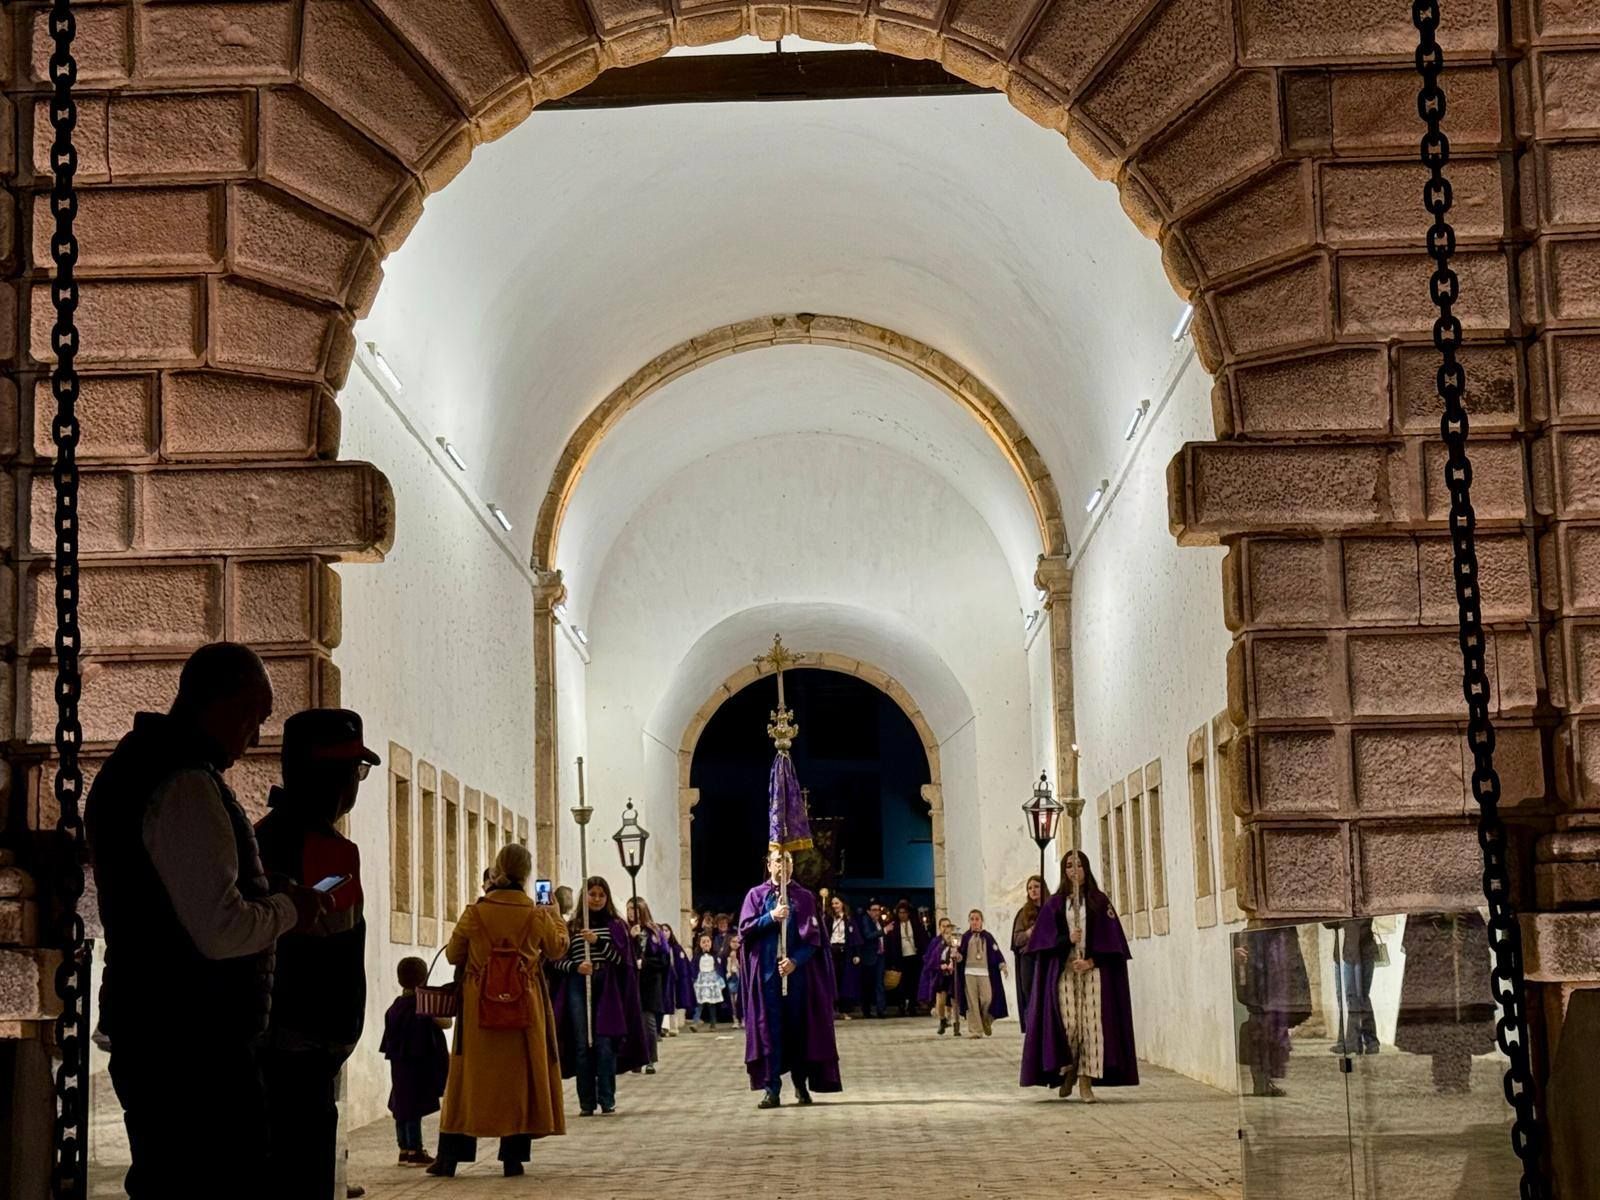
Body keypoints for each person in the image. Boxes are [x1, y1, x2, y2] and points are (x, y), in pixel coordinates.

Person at [85, 642, 327, 1200]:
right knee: (210, 1178)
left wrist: (266, 894)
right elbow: (219, 929)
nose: (256, 735)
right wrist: (291, 910)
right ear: (223, 703)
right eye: (255, 716)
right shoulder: (183, 782)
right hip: (192, 1043)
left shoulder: (144, 767)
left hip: (167, 1031)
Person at [255, 708, 380, 1198]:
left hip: (268, 1042)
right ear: (334, 778)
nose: (355, 785)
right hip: (304, 1048)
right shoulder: (330, 851)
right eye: (356, 772)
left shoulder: (261, 835)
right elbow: (331, 949)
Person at [428, 844, 567, 1178]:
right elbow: (557, 948)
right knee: (518, 1079)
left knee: (467, 1079)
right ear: (526, 873)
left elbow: (453, 955)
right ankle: (513, 1157)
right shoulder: (536, 913)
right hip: (524, 1004)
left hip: (480, 1007)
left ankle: (450, 1157)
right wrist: (556, 916)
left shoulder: (476, 912)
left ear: (498, 869)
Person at [1021, 849, 1138, 1101]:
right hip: (1064, 972)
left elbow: (1112, 942)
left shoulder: (1098, 901)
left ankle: (1086, 1082)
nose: (1075, 870)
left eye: (1079, 865)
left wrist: (1091, 961)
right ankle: (1069, 1070)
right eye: (1070, 866)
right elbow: (1043, 943)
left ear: (1086, 869)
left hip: (1093, 972)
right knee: (1070, 1025)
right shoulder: (1054, 903)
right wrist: (1066, 940)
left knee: (1092, 1027)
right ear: (1064, 871)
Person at [738, 849, 843, 1107]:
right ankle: (772, 1088)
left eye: (787, 861)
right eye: (777, 861)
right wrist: (770, 917)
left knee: (798, 1030)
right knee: (770, 1032)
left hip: (796, 979)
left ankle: (800, 1083)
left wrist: (795, 961)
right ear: (769, 864)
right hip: (767, 977)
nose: (783, 866)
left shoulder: (804, 898)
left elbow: (814, 940)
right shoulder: (756, 895)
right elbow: (745, 929)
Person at [550, 876, 648, 1115]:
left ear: (607, 897)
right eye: (591, 894)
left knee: (605, 1042)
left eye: (600, 895)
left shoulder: (616, 925)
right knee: (583, 1044)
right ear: (584, 896)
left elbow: (621, 960)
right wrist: (576, 967)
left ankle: (607, 1098)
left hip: (607, 987)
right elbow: (555, 962)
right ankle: (586, 1101)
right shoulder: (572, 927)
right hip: (577, 985)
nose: (595, 899)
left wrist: (598, 943)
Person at [1394, 912, 1495, 1094]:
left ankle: (1461, 1079)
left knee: (1461, 1032)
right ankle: (1443, 1079)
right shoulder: (1422, 913)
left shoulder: (1469, 914)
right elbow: (1413, 945)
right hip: (1436, 985)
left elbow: (1482, 942)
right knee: (1440, 1030)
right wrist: (1440, 934)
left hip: (1462, 985)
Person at [381, 957, 450, 1166]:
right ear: (423, 978)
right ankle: (415, 1150)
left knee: (401, 1104)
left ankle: (403, 1148)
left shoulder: (395, 1007)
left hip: (400, 1063)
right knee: (414, 1107)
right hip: (419, 1061)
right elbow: (445, 1022)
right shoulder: (424, 1004)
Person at [1235, 926, 1311, 1097]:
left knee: (1270, 1027)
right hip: (1263, 975)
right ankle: (1261, 1081)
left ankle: (1264, 1080)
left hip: (1272, 970)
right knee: (1262, 1027)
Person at [1325, 917, 1380, 1056]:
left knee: (1358, 997)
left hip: (1358, 953)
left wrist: (1342, 920)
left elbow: (1360, 922)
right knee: (1347, 999)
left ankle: (1362, 1041)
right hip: (1344, 953)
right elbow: (1328, 923)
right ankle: (1353, 1041)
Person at [628, 898, 672, 1073]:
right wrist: (631, 939)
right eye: (629, 909)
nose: (631, 913)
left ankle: (650, 1059)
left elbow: (663, 960)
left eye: (634, 909)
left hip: (650, 982)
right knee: (633, 1022)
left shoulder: (654, 932)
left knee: (648, 1022)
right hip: (632, 981)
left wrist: (644, 963)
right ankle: (635, 1059)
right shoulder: (627, 930)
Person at [958, 909, 1010, 1038]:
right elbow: (960, 954)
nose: (974, 922)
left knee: (987, 999)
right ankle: (976, 1030)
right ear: (969, 921)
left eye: (977, 919)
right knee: (972, 1002)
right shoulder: (965, 937)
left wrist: (1002, 965)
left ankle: (986, 1020)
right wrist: (956, 956)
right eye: (972, 919)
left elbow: (996, 951)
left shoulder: (987, 936)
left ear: (982, 921)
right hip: (969, 973)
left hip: (985, 973)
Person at [1011, 875, 1045, 1035]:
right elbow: (1017, 939)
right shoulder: (1023, 914)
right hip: (1029, 961)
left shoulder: (1051, 908)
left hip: (1047, 958)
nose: (1033, 890)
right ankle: (1033, 1032)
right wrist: (1031, 931)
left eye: (1036, 886)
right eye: (1030, 888)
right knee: (1031, 995)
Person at [884, 899, 930, 1016]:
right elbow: (890, 944)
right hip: (900, 958)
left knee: (913, 983)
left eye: (904, 912)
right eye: (900, 913)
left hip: (914, 957)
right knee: (901, 984)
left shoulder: (915, 924)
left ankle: (912, 1006)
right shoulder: (894, 926)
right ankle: (901, 1005)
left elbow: (922, 939)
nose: (902, 915)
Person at [918, 918, 962, 1034]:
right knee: (941, 1001)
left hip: (953, 977)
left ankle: (956, 1024)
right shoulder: (937, 945)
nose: (949, 936)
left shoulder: (957, 945)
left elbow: (961, 957)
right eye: (946, 932)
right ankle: (942, 1020)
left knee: (954, 1001)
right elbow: (931, 960)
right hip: (941, 977)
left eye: (951, 933)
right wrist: (939, 966)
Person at [825, 892, 862, 1017]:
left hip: (845, 952)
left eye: (837, 903)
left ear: (842, 904)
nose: (835, 906)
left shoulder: (849, 919)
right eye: (833, 903)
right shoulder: (829, 919)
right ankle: (832, 1009)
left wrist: (856, 954)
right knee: (832, 979)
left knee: (845, 981)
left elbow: (855, 937)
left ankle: (844, 1010)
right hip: (832, 951)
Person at [856, 901, 888, 1018]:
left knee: (880, 984)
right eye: (874, 910)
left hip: (880, 955)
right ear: (869, 911)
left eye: (878, 910)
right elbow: (868, 935)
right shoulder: (866, 920)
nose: (877, 912)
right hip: (869, 957)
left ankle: (881, 1010)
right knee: (868, 985)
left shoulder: (879, 921)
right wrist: (884, 931)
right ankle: (867, 1010)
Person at [693, 932, 727, 1030]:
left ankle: (713, 1023)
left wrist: (720, 980)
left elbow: (719, 967)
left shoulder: (715, 955)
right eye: (703, 942)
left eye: (708, 941)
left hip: (712, 980)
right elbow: (694, 967)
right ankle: (695, 1022)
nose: (706, 944)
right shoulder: (697, 956)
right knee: (699, 1002)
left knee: (712, 1003)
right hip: (701, 980)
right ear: (699, 943)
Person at [725, 935, 743, 1028]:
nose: (735, 944)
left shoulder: (742, 955)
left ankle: (743, 1018)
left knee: (739, 1000)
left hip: (740, 979)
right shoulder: (728, 956)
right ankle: (735, 1020)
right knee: (733, 1002)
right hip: (732, 980)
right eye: (733, 942)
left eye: (737, 942)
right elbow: (728, 968)